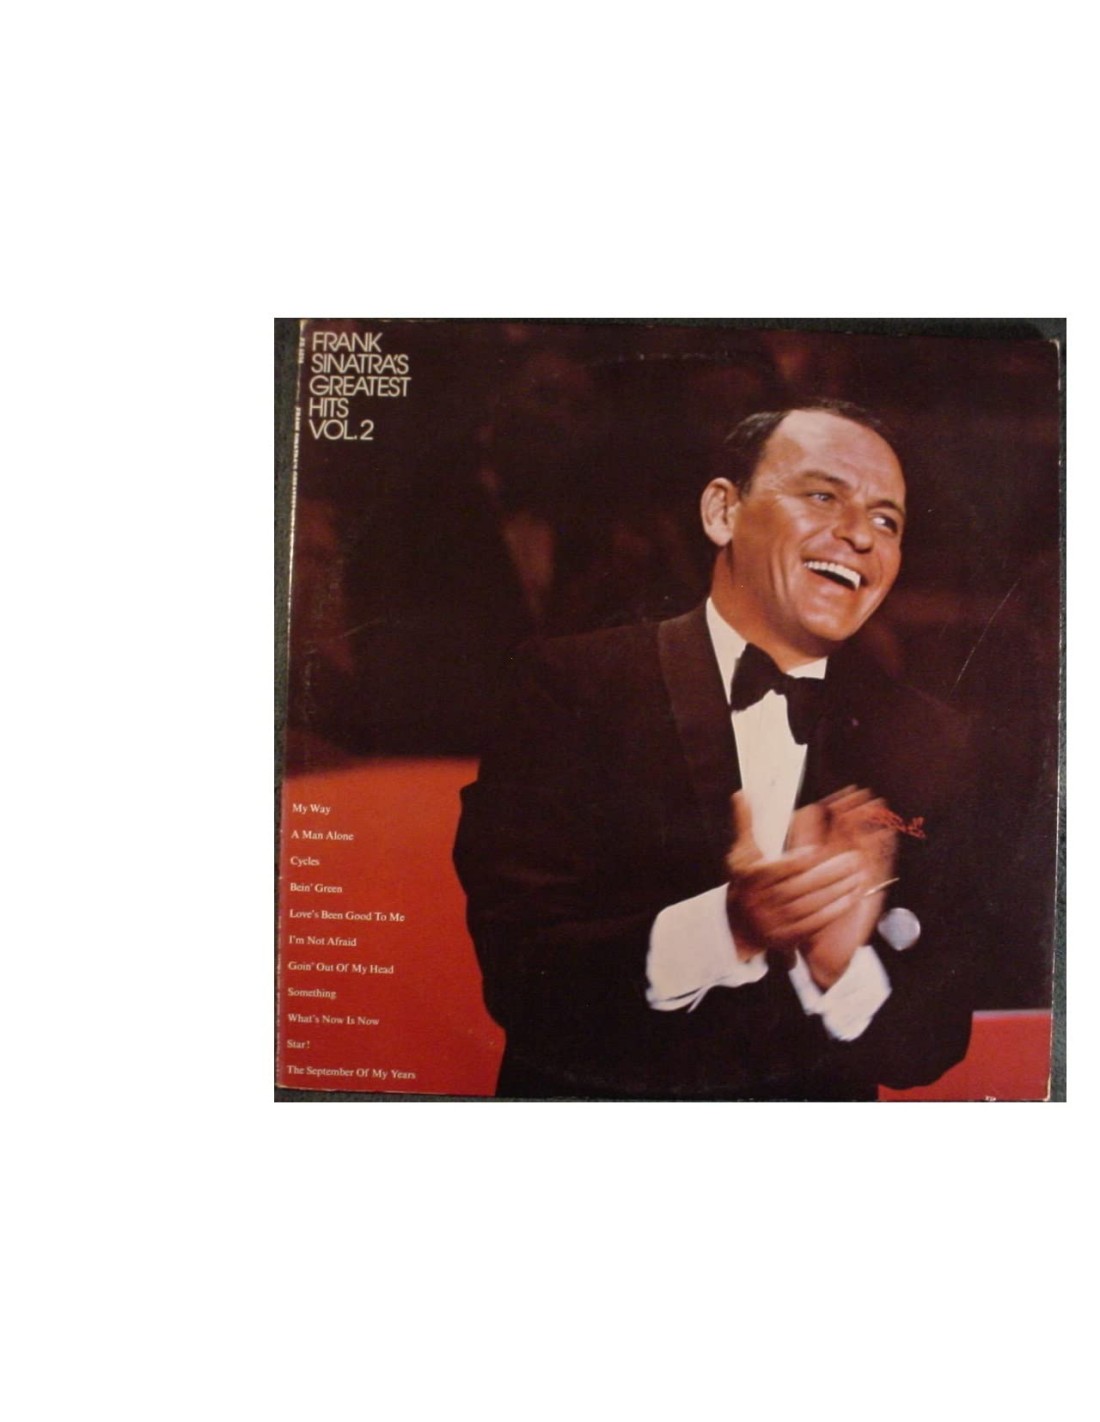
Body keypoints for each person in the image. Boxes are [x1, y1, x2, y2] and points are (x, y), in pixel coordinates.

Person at [453, 400, 985, 1099]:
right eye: (823, 496)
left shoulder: (928, 739)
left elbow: (932, 1045)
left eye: (887, 521)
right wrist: (729, 927)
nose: (861, 535)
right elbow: (521, 977)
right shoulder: (570, 686)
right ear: (723, 512)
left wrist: (839, 969)